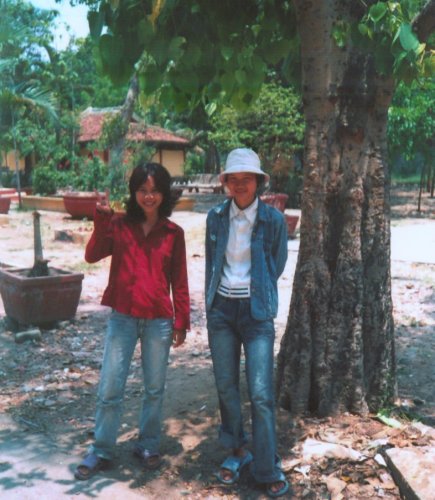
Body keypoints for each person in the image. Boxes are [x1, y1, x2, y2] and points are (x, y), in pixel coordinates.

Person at [74, 162, 190, 480]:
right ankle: (101, 450)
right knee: (110, 386)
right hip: (122, 317)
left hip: (159, 322)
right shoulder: (120, 224)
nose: (148, 196)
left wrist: (182, 321)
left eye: (154, 191)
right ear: (134, 192)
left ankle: (148, 444)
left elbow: (179, 280)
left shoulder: (173, 233)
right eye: (142, 190)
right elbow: (92, 255)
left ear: (163, 194)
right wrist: (101, 218)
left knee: (154, 389)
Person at [205, 148, 290, 497]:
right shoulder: (215, 217)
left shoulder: (273, 220)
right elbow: (213, 263)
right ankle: (237, 449)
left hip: (256, 313)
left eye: (247, 179)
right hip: (222, 311)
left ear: (258, 182)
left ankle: (266, 465)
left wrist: (258, 292)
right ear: (226, 183)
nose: (240, 185)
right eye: (233, 179)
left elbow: (277, 263)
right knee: (226, 386)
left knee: (260, 392)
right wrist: (212, 305)